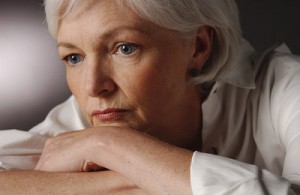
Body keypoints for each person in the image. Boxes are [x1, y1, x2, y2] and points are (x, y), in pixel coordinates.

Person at [0, 0, 299, 194]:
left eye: (125, 48)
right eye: (74, 58)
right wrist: (146, 180)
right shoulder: (80, 116)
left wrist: (107, 145)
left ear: (197, 47)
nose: (93, 86)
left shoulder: (286, 87)